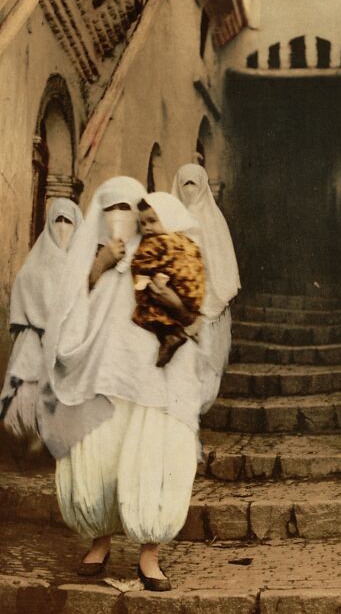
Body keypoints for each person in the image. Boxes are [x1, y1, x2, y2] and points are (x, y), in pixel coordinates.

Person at [43, 177, 204, 592]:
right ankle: (100, 540)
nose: (120, 218)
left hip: (153, 377)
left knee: (153, 452)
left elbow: (189, 310)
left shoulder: (161, 249)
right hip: (103, 376)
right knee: (103, 456)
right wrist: (98, 266)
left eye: (127, 209)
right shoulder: (88, 259)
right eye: (110, 209)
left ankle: (149, 554)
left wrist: (167, 299)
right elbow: (65, 313)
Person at [1, 198, 83, 448]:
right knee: (28, 391)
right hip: (35, 342)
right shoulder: (34, 265)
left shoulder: (81, 267)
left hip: (69, 342)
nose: (62, 227)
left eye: (67, 221)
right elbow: (25, 299)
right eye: (57, 220)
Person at [172, 164, 241, 412]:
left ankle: (195, 415)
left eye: (194, 184)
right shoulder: (171, 220)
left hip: (209, 303)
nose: (189, 190)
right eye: (185, 184)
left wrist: (212, 296)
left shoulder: (214, 221)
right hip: (177, 303)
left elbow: (223, 263)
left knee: (206, 366)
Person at [132, 193, 206, 367]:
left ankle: (170, 336)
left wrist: (141, 283)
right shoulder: (188, 241)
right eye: (142, 223)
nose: (147, 228)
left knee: (148, 311)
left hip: (171, 290)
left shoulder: (156, 242)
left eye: (152, 221)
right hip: (192, 294)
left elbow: (141, 264)